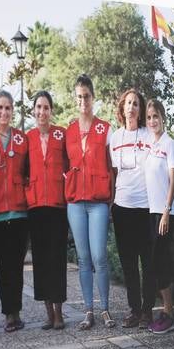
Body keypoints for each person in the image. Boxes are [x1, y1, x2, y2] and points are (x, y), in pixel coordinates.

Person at [64, 74, 114, 329]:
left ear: (93, 98)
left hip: (98, 203)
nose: (83, 100)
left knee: (99, 256)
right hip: (75, 204)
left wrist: (112, 201)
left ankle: (105, 308)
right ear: (75, 100)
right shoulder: (69, 130)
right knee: (83, 258)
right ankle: (88, 310)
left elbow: (112, 167)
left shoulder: (105, 129)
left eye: (86, 96)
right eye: (79, 96)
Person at [108, 87, 153, 328]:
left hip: (145, 207)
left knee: (147, 261)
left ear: (140, 108)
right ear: (122, 108)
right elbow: (115, 174)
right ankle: (134, 309)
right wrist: (112, 204)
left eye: (136, 103)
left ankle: (148, 311)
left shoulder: (148, 135)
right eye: (128, 103)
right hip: (123, 208)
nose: (132, 107)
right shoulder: (115, 138)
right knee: (128, 262)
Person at [0, 90, 30, 333]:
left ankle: (17, 310)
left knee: (17, 264)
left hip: (20, 212)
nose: (4, 112)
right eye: (0, 108)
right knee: (3, 265)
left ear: (13, 111)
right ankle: (8, 315)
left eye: (8, 108)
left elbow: (30, 172)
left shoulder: (23, 139)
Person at [25, 90, 69, 330]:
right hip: (35, 207)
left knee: (57, 259)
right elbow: (22, 171)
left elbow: (72, 164)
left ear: (51, 111)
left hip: (57, 205)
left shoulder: (61, 135)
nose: (42, 112)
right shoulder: (27, 137)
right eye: (38, 107)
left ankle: (60, 313)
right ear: (34, 111)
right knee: (40, 261)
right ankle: (48, 313)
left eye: (46, 107)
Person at [141, 99, 174, 334]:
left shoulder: (169, 144)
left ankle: (169, 314)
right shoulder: (150, 144)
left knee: (160, 263)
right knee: (156, 264)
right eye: (149, 117)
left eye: (156, 116)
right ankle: (166, 312)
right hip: (152, 212)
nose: (152, 121)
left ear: (163, 117)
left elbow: (173, 177)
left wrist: (166, 211)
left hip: (166, 213)